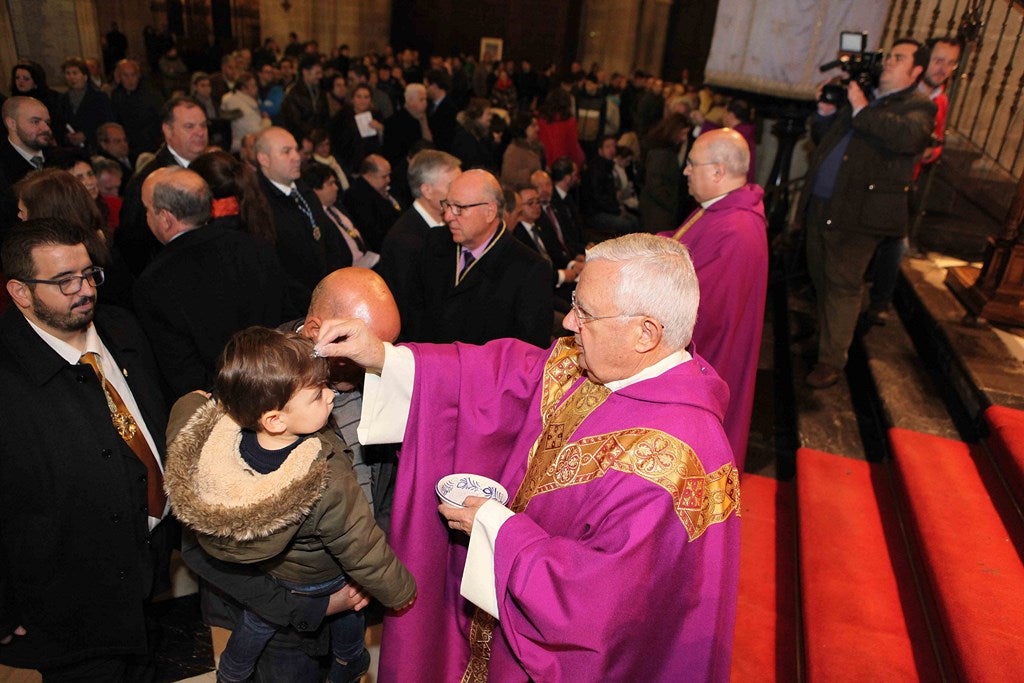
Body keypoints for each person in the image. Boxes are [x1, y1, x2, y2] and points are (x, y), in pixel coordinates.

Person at [314, 232, 740, 682]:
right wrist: (382, 356)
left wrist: (494, 527)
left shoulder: (673, 463)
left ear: (645, 333)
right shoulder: (600, 365)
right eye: (575, 302)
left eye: (587, 314)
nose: (570, 323)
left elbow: (599, 603)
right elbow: (499, 378)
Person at [164, 327, 415, 683]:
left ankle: (232, 673)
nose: (329, 396)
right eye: (317, 396)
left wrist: (190, 400)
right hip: (321, 582)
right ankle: (350, 665)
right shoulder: (323, 479)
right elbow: (363, 548)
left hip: (274, 583)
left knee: (255, 626)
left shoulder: (215, 456)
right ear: (276, 420)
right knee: (350, 625)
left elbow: (186, 418)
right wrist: (400, 592)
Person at [0, 218, 172, 679]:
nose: (84, 289)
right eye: (64, 281)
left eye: (89, 274)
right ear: (20, 292)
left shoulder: (122, 328)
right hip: (69, 598)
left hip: (147, 566)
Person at [798, 38, 936, 388]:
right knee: (821, 277)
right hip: (823, 205)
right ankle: (828, 336)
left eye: (899, 58)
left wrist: (861, 106)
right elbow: (830, 142)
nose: (889, 61)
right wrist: (826, 116)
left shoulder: (917, 106)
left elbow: (906, 138)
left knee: (842, 284)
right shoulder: (867, 98)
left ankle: (831, 360)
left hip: (859, 215)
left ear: (916, 70)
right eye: (889, 55)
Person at [658, 128, 767, 470]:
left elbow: (701, 311)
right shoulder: (718, 210)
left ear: (718, 171)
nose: (686, 171)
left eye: (692, 164)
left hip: (711, 359)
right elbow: (683, 243)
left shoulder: (735, 230)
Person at [132, 167, 285, 399]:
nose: (145, 217)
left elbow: (182, 373)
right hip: (284, 382)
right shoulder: (256, 247)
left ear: (165, 218)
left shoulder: (153, 284)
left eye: (147, 210)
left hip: (224, 407)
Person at [867, 35, 964, 324]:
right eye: (938, 61)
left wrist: (930, 151)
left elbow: (936, 144)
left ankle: (878, 301)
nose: (943, 69)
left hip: (906, 180)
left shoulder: (941, 99)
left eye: (950, 63)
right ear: (923, 63)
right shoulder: (902, 92)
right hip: (880, 177)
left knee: (895, 242)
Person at [415, 168, 551, 346]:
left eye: (459, 208)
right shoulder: (436, 241)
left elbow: (528, 353)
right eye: (447, 205)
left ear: (490, 211)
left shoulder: (530, 268)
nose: (448, 216)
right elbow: (416, 313)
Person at [255, 126, 348, 313]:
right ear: (264, 159)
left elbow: (333, 241)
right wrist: (312, 300)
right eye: (286, 151)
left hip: (328, 297)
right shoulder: (258, 205)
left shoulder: (305, 192)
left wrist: (334, 287)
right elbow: (274, 269)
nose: (296, 157)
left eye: (296, 149)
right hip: (295, 310)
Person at [117, 96, 210, 276]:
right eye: (189, 127)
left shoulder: (212, 168)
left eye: (203, 125)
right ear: (168, 131)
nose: (200, 132)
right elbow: (132, 241)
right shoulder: (150, 180)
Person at [378, 149, 461, 341]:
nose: (459, 192)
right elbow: (408, 312)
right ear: (426, 190)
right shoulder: (403, 240)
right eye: (452, 185)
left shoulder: (450, 226)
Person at [302, 162, 378, 269]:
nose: (336, 188)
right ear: (315, 190)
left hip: (366, 261)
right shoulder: (315, 219)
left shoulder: (338, 206)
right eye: (330, 184)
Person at [1, 97, 55, 234]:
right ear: (11, 124)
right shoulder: (3, 169)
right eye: (35, 121)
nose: (46, 128)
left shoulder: (60, 159)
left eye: (47, 122)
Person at [341, 154, 401, 252]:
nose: (388, 180)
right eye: (384, 176)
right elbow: (372, 233)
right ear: (368, 175)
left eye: (389, 175)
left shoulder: (378, 189)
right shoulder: (357, 197)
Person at [110, 59, 163, 160]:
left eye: (133, 75)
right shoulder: (116, 95)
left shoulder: (151, 94)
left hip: (151, 145)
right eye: (125, 75)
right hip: (129, 146)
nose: (130, 80)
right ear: (119, 77)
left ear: (138, 75)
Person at [221, 72, 272, 153]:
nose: (256, 88)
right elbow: (254, 131)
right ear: (243, 88)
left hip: (246, 145)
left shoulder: (246, 102)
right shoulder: (238, 104)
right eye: (253, 86)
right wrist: (266, 121)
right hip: (243, 148)